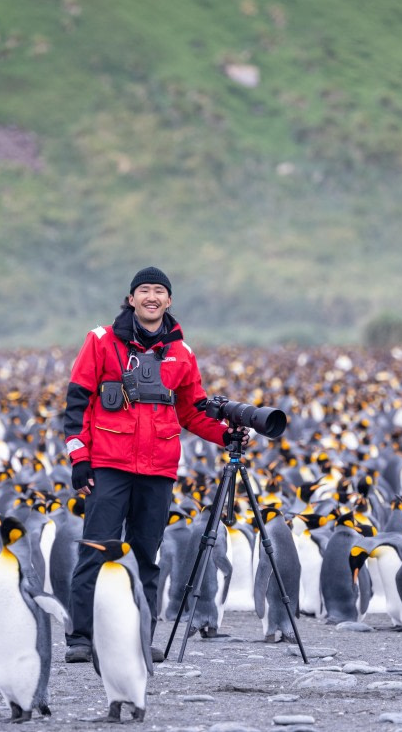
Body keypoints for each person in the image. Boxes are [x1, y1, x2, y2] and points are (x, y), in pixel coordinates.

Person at [61, 266, 248, 662]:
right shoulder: (101, 341)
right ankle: (81, 637)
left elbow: (193, 411)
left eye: (159, 291)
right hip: (108, 465)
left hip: (157, 470)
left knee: (147, 556)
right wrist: (79, 457)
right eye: (143, 290)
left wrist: (225, 435)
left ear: (169, 300)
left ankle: (139, 638)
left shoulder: (181, 353)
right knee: (97, 549)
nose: (151, 297)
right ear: (131, 299)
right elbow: (76, 401)